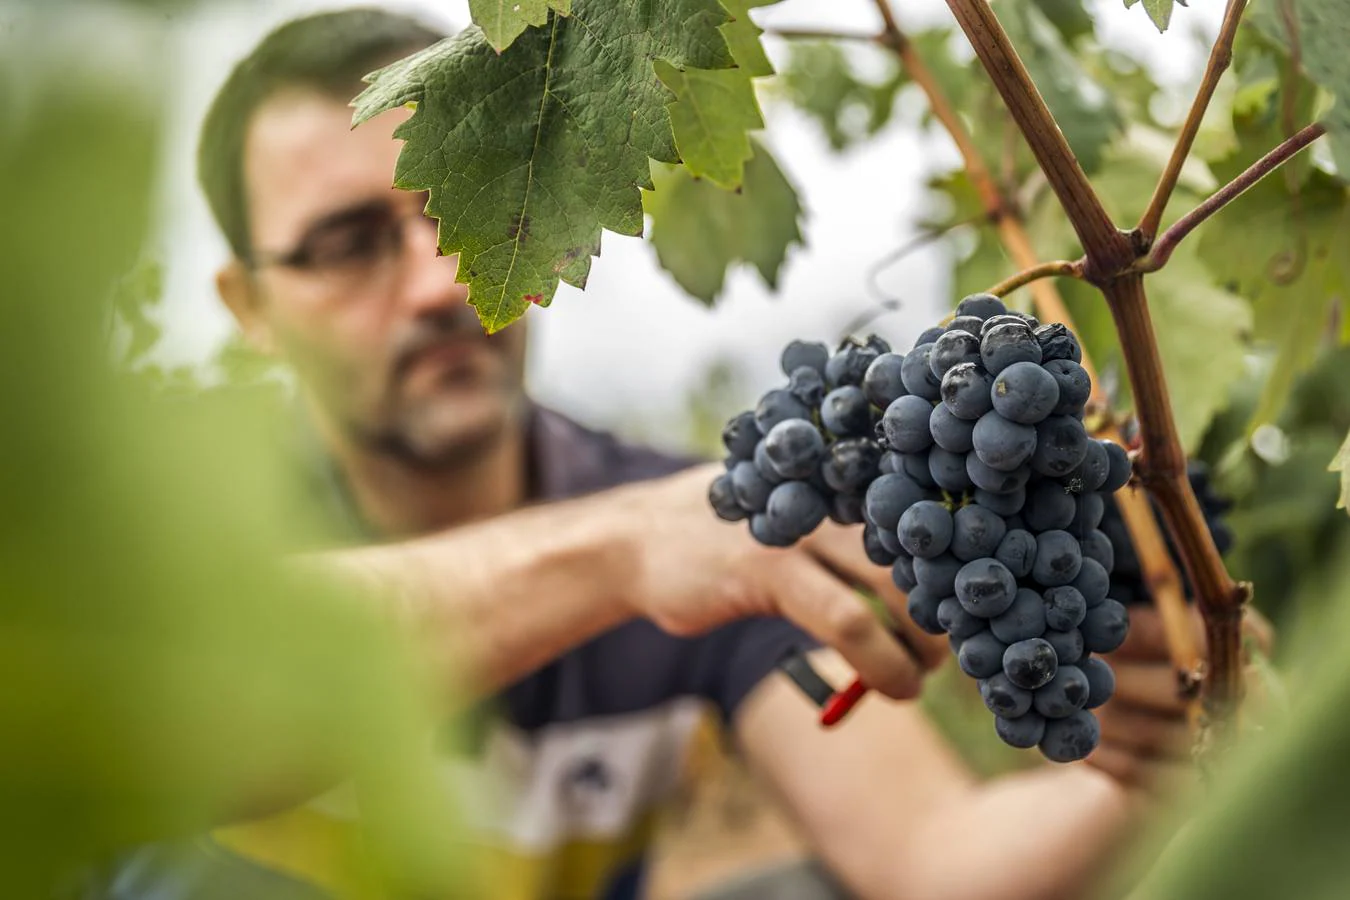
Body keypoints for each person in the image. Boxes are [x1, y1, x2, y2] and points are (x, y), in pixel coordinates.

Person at [105, 8, 1199, 900]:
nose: (440, 283)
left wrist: (1170, 767)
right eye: (348, 244)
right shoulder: (168, 511)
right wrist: (616, 556)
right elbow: (170, 720)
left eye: (454, 212)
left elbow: (930, 858)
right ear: (247, 305)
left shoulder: (698, 530)